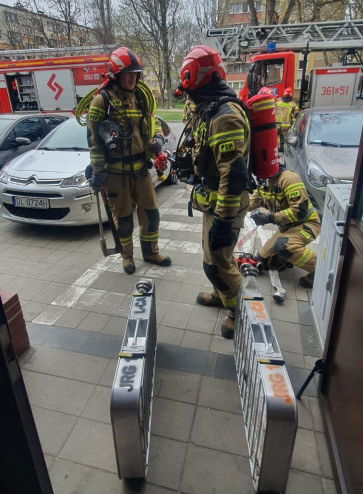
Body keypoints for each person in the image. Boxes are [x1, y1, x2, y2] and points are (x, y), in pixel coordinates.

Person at [175, 45, 251, 339]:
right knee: (216, 257)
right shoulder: (208, 106)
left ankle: (239, 312)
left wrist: (222, 221)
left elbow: (234, 175)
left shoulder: (224, 116)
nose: (188, 97)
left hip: (225, 205)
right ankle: (222, 296)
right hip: (214, 201)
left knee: (217, 264)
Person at [87, 46, 172, 274]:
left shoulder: (141, 98)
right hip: (117, 174)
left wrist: (157, 139)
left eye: (136, 74)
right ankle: (127, 256)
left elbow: (153, 122)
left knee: (151, 215)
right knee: (124, 220)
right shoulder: (101, 102)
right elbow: (94, 141)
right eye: (127, 74)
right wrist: (98, 171)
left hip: (141, 171)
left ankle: (151, 252)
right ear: (115, 75)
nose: (133, 78)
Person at [248, 165, 320, 288]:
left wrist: (269, 218)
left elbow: (299, 211)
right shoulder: (264, 180)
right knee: (261, 260)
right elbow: (250, 204)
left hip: (306, 224)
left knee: (284, 247)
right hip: (286, 228)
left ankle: (320, 270)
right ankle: (286, 257)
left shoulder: (290, 179)